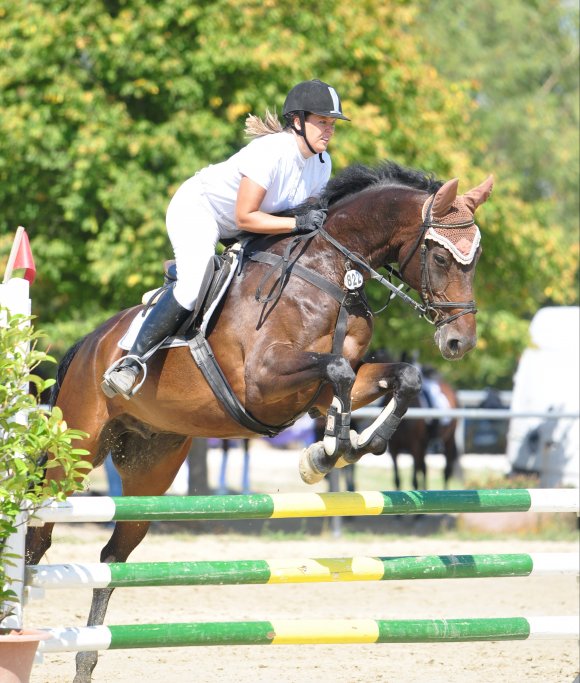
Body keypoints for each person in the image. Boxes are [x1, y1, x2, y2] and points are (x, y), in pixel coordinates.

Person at [102, 79, 350, 399]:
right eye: (322, 122)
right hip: (201, 209)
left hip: (248, 227)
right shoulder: (271, 152)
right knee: (193, 287)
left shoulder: (322, 164)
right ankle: (130, 363)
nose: (328, 131)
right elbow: (247, 215)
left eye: (332, 124)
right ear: (298, 121)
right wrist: (297, 222)